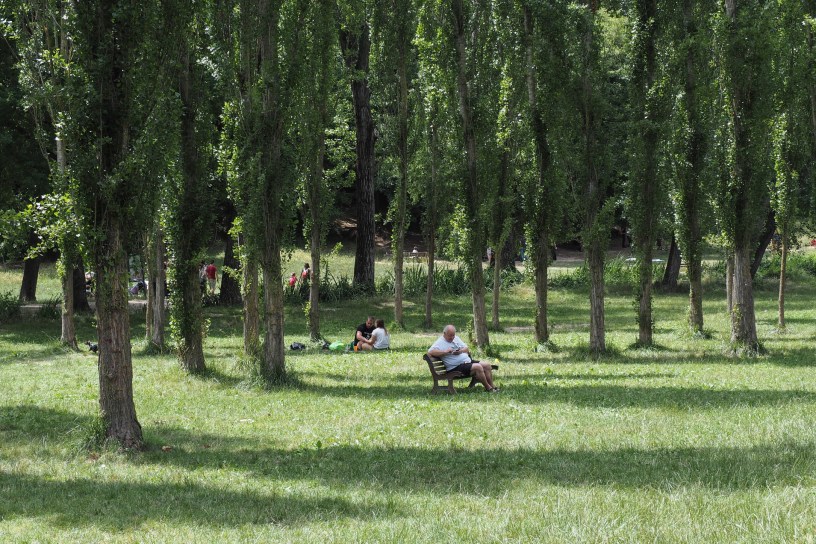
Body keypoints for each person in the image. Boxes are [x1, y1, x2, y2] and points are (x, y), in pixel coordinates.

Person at [428, 324, 499, 392]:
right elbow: (430, 352)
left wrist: (460, 351)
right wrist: (445, 352)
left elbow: (466, 349)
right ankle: (488, 388)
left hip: (467, 362)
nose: (452, 337)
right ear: (444, 333)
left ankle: (492, 386)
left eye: (453, 335)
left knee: (487, 365)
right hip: (455, 367)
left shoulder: (456, 338)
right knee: (478, 367)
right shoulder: (440, 342)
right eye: (450, 335)